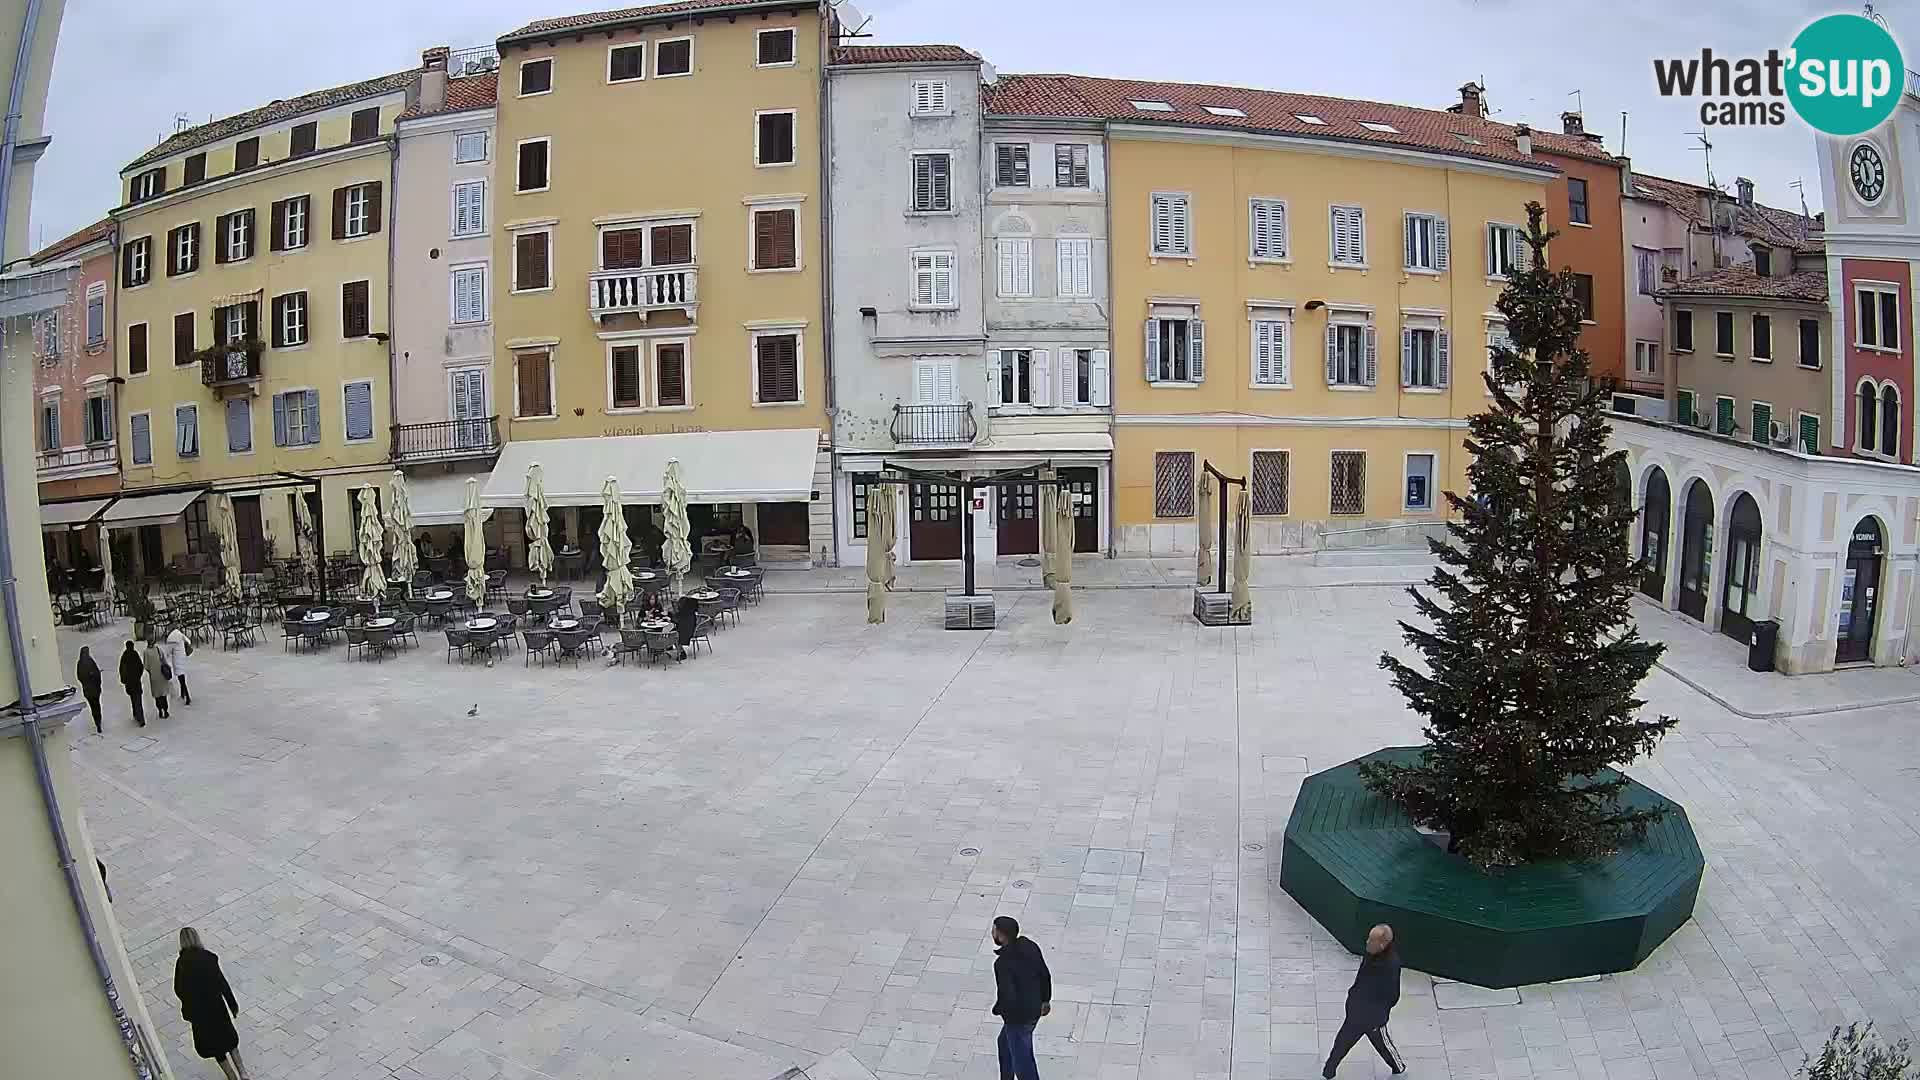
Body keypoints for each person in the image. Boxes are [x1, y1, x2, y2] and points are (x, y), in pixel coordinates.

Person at [1323, 924, 1405, 1078]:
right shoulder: (1371, 953)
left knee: (1383, 1045)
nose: (1367, 942)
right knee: (1341, 1043)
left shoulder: (1391, 965)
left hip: (1373, 1018)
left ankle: (1398, 1067)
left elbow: (1392, 995)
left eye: (1371, 940)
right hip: (1356, 1012)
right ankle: (1329, 1071)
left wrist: (1378, 1015)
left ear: (1382, 945)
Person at [174, 927, 249, 1080]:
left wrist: (188, 1009)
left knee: (216, 1048)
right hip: (216, 1008)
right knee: (229, 1039)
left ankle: (232, 1077)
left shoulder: (181, 964)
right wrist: (232, 1004)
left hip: (200, 1014)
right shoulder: (209, 958)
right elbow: (222, 983)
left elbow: (179, 990)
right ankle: (243, 1073)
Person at [990, 916, 1051, 1080]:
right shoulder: (1029, 946)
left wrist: (999, 1010)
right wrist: (1045, 1000)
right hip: (1035, 1008)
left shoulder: (1002, 964)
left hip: (1019, 1018)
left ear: (1002, 936)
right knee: (1004, 1044)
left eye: (994, 930)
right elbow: (1044, 974)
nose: (992, 933)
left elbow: (1007, 996)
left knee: (1023, 1063)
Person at [163, 624, 194, 705]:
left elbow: (167, 652)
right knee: (182, 677)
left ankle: (187, 697)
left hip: (177, 660)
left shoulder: (172, 639)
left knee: (181, 679)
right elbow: (188, 641)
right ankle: (182, 693)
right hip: (183, 658)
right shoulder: (180, 635)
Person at [117, 641, 146, 728]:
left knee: (133, 699)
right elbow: (141, 667)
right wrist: (138, 676)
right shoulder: (135, 654)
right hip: (136, 682)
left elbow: (121, 670)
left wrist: (124, 681)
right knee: (138, 701)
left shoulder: (124, 656)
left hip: (129, 684)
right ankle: (141, 719)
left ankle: (136, 714)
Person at [142, 637, 171, 720]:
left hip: (154, 677)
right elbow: (164, 660)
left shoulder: (146, 652)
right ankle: (166, 711)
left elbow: (146, 666)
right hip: (162, 675)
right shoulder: (158, 649)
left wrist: (151, 670)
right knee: (163, 694)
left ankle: (160, 711)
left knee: (157, 695)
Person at [76, 646, 104, 734]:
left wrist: (85, 683)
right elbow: (97, 675)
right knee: (97, 705)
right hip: (95, 689)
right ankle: (99, 721)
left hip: (87, 690)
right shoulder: (91, 661)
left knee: (93, 706)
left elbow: (79, 677)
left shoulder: (80, 664)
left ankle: (96, 721)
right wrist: (98, 683)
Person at [672, 594, 699, 660]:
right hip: (692, 629)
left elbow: (677, 620)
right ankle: (670, 645)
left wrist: (670, 617)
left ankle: (681, 652)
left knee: (672, 634)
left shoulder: (684, 614)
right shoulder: (690, 612)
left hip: (686, 632)